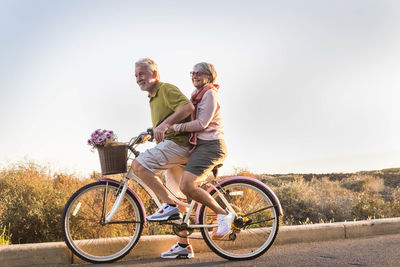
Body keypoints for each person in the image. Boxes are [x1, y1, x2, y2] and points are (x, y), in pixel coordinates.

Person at [160, 62, 233, 259]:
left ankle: (222, 213)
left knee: (187, 185)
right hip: (199, 147)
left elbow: (202, 123)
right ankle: (183, 245)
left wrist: (173, 127)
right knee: (181, 194)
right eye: (192, 73)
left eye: (199, 73)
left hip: (211, 146)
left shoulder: (210, 93)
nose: (194, 75)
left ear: (210, 76)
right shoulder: (196, 96)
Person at [132, 58, 194, 224]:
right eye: (136, 75)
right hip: (173, 147)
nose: (138, 78)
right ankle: (184, 247)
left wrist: (165, 125)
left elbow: (188, 108)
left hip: (178, 144)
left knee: (138, 165)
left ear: (155, 74)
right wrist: (151, 133)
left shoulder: (166, 89)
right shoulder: (153, 98)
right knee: (178, 198)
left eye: (142, 74)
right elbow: (166, 122)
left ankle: (168, 206)